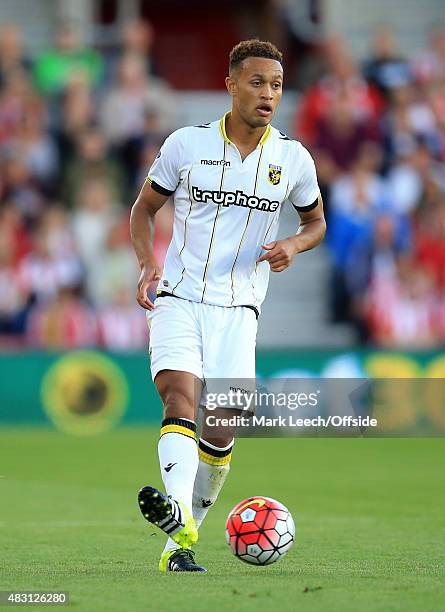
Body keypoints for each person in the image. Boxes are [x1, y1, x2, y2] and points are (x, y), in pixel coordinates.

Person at [130, 39, 326, 573]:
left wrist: (293, 245)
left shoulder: (292, 159)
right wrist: (148, 261)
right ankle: (180, 521)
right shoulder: (185, 145)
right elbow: (144, 209)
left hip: (240, 310)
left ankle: (180, 537)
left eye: (278, 86)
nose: (268, 95)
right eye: (258, 83)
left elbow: (315, 223)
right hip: (180, 296)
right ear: (232, 84)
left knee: (220, 427)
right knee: (179, 397)